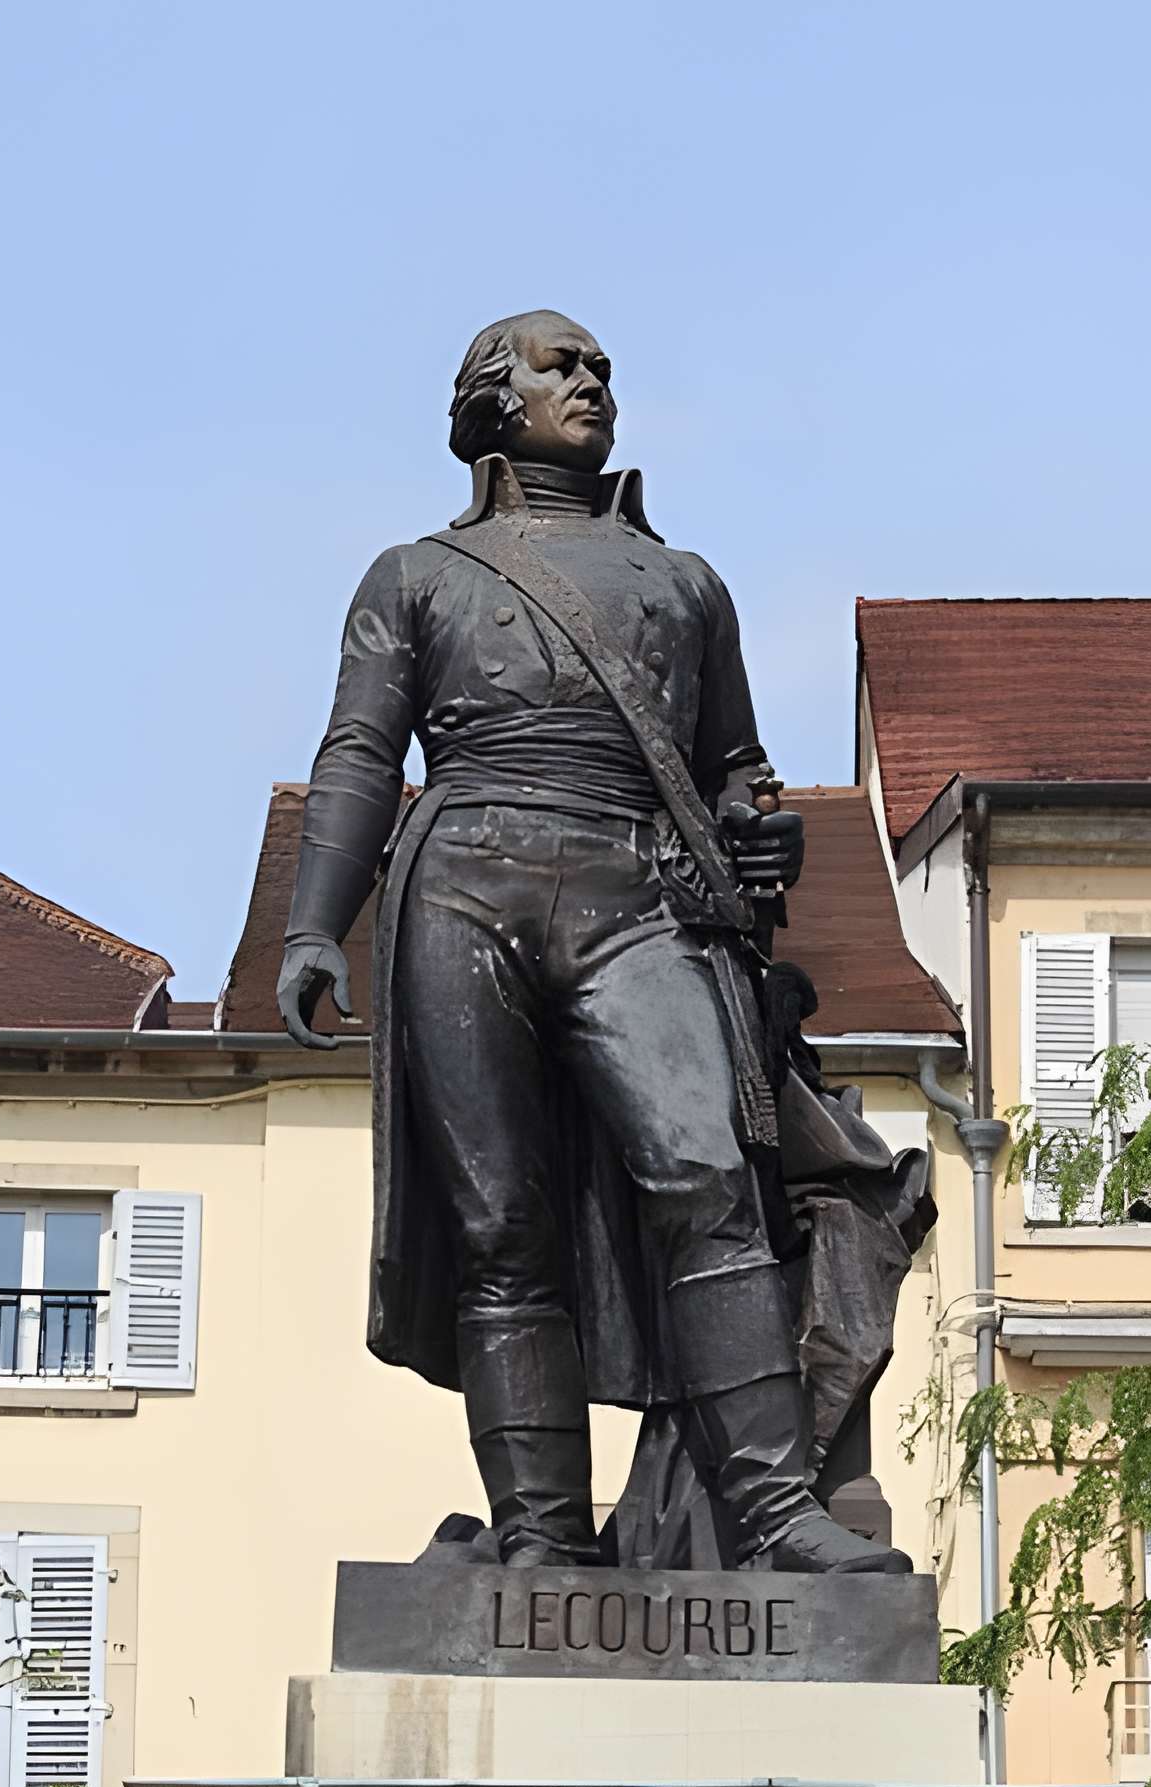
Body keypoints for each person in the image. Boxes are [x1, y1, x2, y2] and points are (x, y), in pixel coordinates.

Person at [277, 309, 909, 1574]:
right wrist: (312, 925)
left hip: (639, 888)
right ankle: (543, 1536)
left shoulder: (685, 584)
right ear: (491, 399)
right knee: (499, 1223)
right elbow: (358, 754)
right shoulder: (416, 575)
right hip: (461, 882)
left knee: (710, 1180)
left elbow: (732, 769)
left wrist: (759, 836)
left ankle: (776, 1515)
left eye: (603, 367)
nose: (593, 382)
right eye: (562, 364)